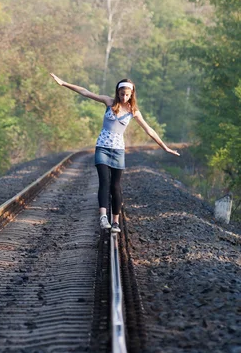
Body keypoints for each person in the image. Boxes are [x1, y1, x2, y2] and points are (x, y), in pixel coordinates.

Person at [50, 73, 180, 233]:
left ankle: (116, 222)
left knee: (115, 186)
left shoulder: (133, 111)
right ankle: (103, 217)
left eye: (127, 95)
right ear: (117, 93)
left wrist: (164, 147)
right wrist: (63, 83)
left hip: (118, 151)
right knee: (104, 182)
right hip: (102, 148)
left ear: (131, 94)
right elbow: (85, 92)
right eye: (121, 94)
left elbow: (149, 130)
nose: (124, 97)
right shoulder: (109, 102)